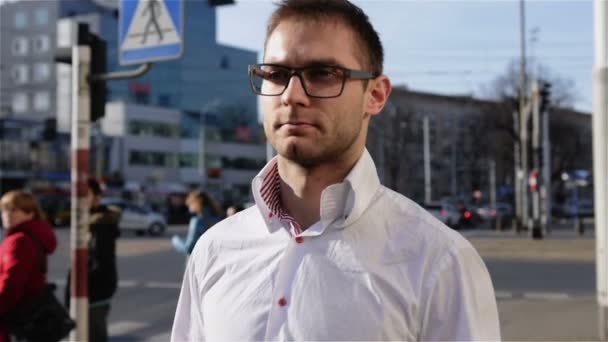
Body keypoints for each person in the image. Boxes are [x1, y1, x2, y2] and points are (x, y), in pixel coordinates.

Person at [171, 0, 501, 340]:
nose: (292, 95)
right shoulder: (215, 249)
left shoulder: (438, 262)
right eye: (276, 74)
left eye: (323, 74)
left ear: (375, 94)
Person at [65, 179, 120, 342]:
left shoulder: (100, 224)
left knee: (92, 335)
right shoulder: (87, 221)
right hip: (87, 292)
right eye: (76, 195)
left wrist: (79, 291)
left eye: (84, 194)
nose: (78, 199)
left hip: (93, 294)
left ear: (97, 197)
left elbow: (100, 262)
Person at [0, 190, 57, 342]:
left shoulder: (19, 240)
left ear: (30, 214)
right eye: (4, 210)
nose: (7, 214)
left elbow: (11, 282)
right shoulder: (32, 234)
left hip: (16, 315)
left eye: (14, 210)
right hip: (31, 313)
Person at [171, 190, 222, 255]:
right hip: (216, 258)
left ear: (195, 203)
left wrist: (175, 240)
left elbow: (188, 248)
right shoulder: (218, 218)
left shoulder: (197, 221)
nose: (188, 207)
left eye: (190, 204)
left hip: (201, 260)